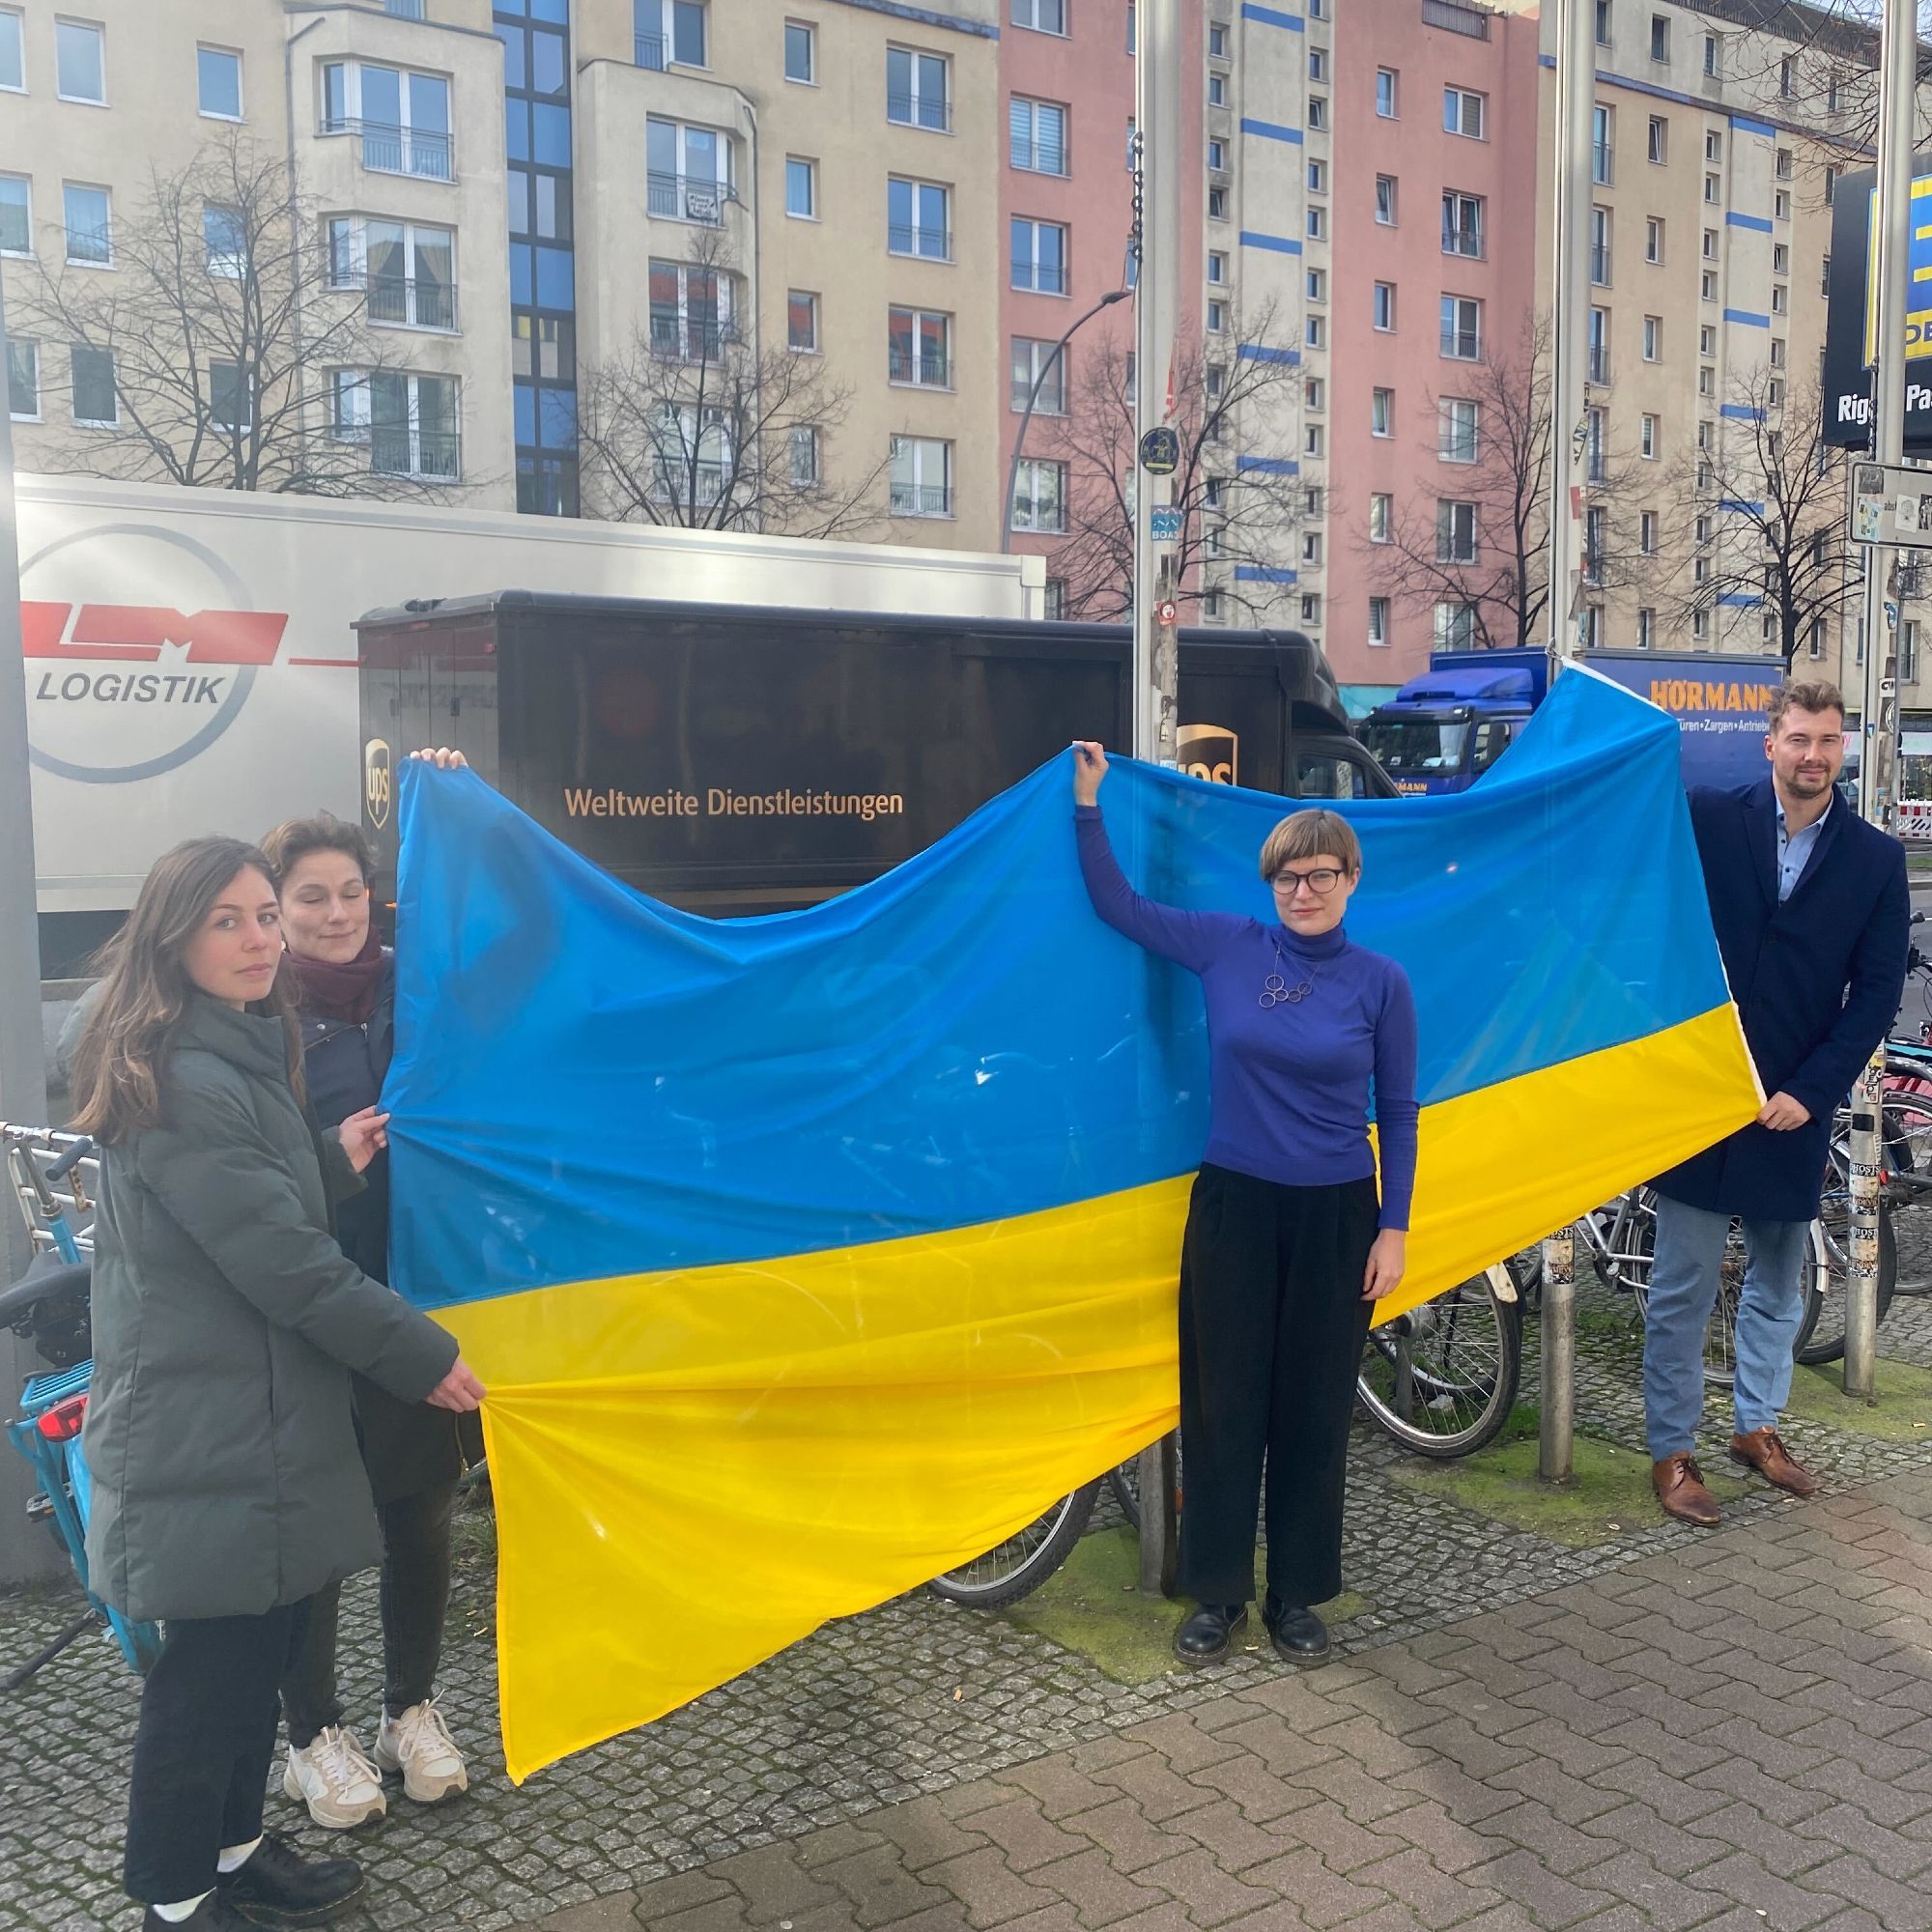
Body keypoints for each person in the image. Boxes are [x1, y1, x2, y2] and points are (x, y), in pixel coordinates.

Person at [70, 838, 486, 1932]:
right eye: (232, 920)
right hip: (208, 1427)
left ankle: (234, 1849)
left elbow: (258, 1202)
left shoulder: (227, 1053)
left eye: (266, 916)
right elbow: (287, 1261)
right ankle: (174, 1894)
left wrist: (326, 1156)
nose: (260, 939)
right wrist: (424, 1354)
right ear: (175, 938)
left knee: (250, 1660)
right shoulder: (189, 1079)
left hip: (249, 1413)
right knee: (205, 1678)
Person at [1070, 743, 1417, 1665]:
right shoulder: (1227, 945)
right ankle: (1215, 1595)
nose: (1303, 891)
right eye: (1287, 877)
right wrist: (1087, 806)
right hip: (1234, 1208)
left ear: (1350, 878)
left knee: (1311, 1411)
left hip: (1339, 1215)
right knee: (1222, 1406)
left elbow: (1401, 1111)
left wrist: (1394, 1226)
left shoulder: (1383, 982)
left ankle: (1297, 1595)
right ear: (1269, 884)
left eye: (1320, 874)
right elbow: (1120, 908)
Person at [1647, 681, 1909, 1526]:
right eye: (1799, 738)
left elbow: (1873, 995)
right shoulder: (1708, 817)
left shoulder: (1874, 858)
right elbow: (1644, 896)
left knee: (1778, 1285)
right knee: (1682, 1287)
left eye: (1829, 741)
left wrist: (1812, 1090)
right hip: (1701, 1094)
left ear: (1845, 750)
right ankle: (1673, 1449)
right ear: (1769, 744)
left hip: (1792, 1102)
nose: (1813, 755)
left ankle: (1756, 1429)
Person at [262, 783, 469, 1828]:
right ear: (279, 909)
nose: (336, 913)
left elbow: (499, 922)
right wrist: (329, 1164)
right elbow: (240, 1186)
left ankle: (409, 1710)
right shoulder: (261, 1017)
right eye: (311, 899)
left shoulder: (415, 992)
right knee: (320, 1527)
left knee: (419, 1512)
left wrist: (448, 785)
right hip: (307, 1314)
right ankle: (313, 1736)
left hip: (416, 1298)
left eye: (351, 892)